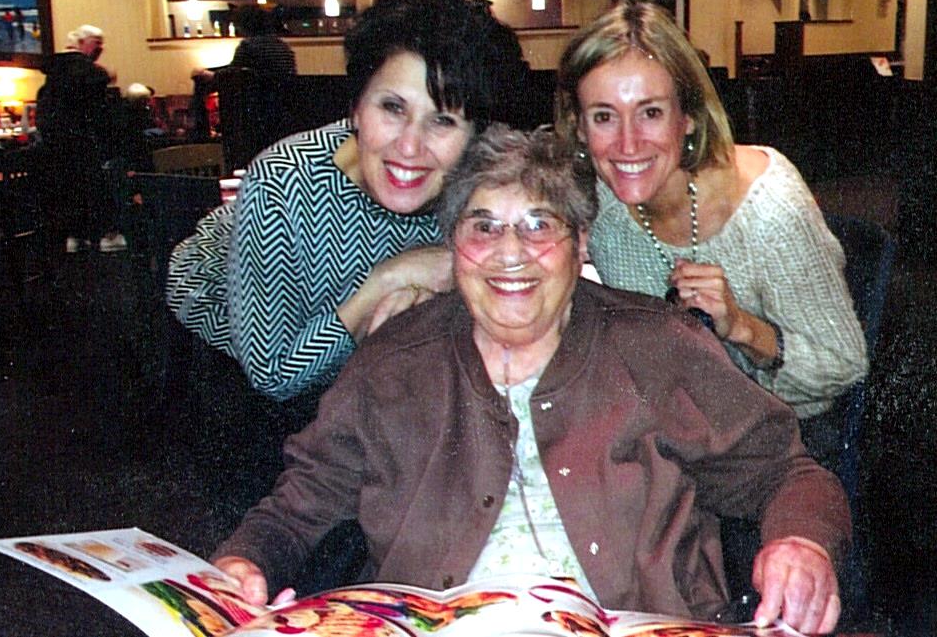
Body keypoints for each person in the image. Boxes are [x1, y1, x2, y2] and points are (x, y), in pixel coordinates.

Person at [209, 126, 850, 635]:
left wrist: (801, 545)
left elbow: (788, 473)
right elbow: (299, 504)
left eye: (540, 224)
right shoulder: (396, 358)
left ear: (581, 242)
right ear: (453, 245)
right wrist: (244, 562)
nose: (510, 253)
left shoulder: (658, 345)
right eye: (483, 226)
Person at [166, 0, 530, 402]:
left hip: (358, 375)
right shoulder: (283, 182)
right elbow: (273, 373)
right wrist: (388, 279)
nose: (409, 146)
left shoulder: (482, 177)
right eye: (392, 108)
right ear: (356, 108)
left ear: (476, 136)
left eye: (443, 120)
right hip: (223, 343)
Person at [555, 2, 867, 467]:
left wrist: (742, 327)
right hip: (673, 433)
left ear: (688, 117)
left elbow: (844, 366)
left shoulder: (770, 209)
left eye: (650, 112)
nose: (627, 144)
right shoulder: (598, 199)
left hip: (781, 445)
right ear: (579, 127)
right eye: (604, 117)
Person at [36, 24, 126, 253]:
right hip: (85, 142)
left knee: (68, 191)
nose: (101, 48)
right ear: (83, 43)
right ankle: (106, 236)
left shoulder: (53, 74)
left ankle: (75, 237)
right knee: (96, 187)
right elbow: (101, 115)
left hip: (55, 145)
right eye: (97, 43)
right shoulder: (91, 74)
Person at [190, 4, 297, 150]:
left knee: (201, 82)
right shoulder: (283, 47)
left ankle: (201, 133)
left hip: (253, 107)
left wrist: (207, 74)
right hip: (280, 107)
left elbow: (234, 75)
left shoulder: (249, 46)